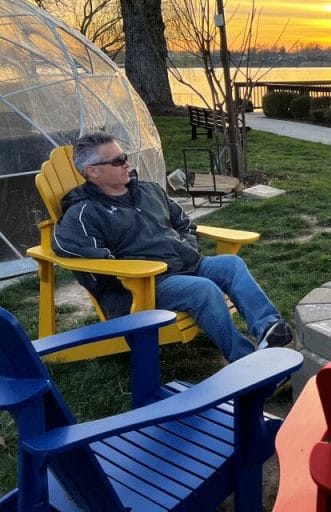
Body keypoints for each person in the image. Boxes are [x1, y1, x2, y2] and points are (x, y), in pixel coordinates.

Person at [52, 132, 293, 362]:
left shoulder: (149, 191)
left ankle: (269, 329)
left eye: (125, 157)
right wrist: (135, 276)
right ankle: (246, 360)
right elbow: (77, 254)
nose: (126, 163)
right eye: (117, 161)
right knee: (204, 290)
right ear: (92, 171)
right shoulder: (83, 212)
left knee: (231, 265)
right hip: (146, 286)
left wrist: (188, 246)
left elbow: (183, 223)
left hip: (185, 263)